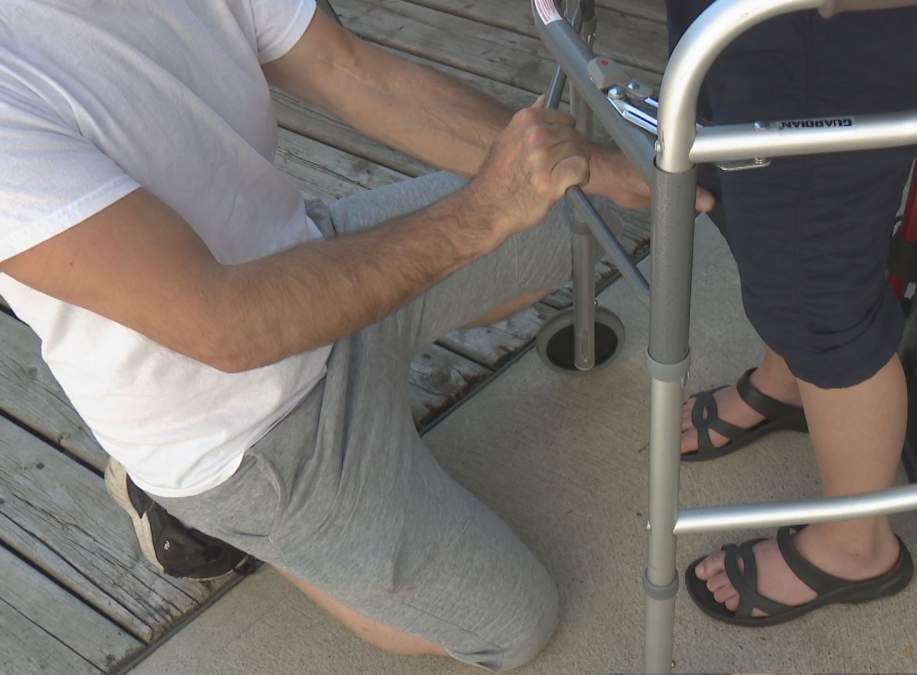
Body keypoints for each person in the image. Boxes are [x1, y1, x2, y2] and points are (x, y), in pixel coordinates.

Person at [0, 1, 708, 670]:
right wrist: (484, 212)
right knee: (515, 626)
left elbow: (350, 70)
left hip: (306, 257)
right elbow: (225, 324)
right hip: (243, 430)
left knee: (574, 214)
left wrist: (595, 164)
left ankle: (362, 464)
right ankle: (221, 523)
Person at [663, 0, 917, 625]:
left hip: (841, 25)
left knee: (818, 287)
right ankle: (788, 379)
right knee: (751, 200)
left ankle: (855, 546)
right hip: (758, 26)